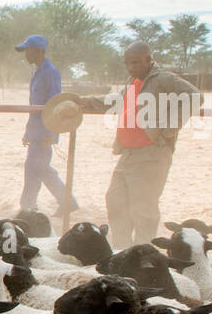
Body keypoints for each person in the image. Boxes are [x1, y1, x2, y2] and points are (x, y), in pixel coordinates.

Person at [76, 41, 201, 248]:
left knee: (143, 210)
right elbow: (120, 100)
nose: (131, 67)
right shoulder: (135, 81)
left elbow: (195, 97)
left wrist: (168, 129)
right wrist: (89, 101)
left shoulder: (163, 79)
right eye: (128, 63)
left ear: (148, 60)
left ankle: (142, 256)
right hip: (128, 153)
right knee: (116, 202)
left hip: (151, 153)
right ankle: (121, 250)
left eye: (135, 63)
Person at [14, 35, 77, 214]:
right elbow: (35, 107)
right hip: (37, 131)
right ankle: (61, 202)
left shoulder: (50, 72)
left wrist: (51, 131)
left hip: (44, 130)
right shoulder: (38, 72)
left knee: (37, 168)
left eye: (29, 50)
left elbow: (54, 103)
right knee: (39, 168)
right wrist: (28, 132)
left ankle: (28, 206)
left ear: (39, 51)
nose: (26, 54)